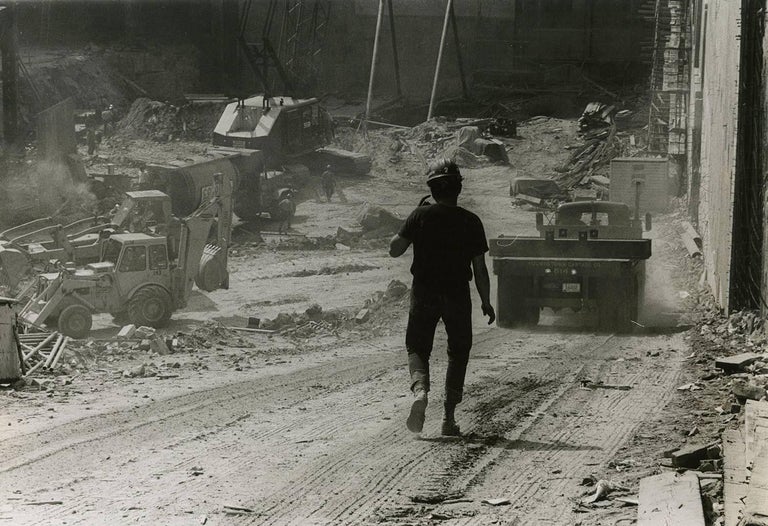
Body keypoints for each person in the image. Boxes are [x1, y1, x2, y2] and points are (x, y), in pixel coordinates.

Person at [389, 158, 495, 436]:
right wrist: (485, 301)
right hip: (457, 294)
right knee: (458, 353)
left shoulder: (419, 215)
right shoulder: (471, 221)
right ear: (458, 189)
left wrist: (415, 220)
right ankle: (448, 419)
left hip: (424, 291)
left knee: (417, 347)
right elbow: (480, 269)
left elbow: (394, 250)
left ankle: (420, 392)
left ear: (432, 189)